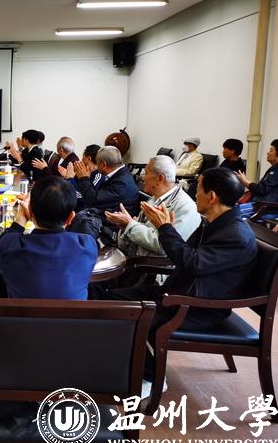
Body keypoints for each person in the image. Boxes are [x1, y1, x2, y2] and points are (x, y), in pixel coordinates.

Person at [90, 168, 257, 397]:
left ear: (211, 197)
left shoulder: (236, 235)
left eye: (198, 189)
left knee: (125, 316)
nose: (194, 193)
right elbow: (186, 254)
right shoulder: (216, 223)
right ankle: (123, 362)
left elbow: (192, 263)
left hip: (197, 307)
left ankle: (150, 377)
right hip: (178, 293)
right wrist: (164, 228)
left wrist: (164, 228)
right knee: (109, 300)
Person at [0, 176, 97, 299]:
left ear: (30, 211)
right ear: (71, 217)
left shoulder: (10, 245)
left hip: (20, 312)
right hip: (72, 312)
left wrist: (20, 219)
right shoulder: (87, 245)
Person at [106, 156, 200, 258]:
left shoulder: (185, 206)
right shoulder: (154, 198)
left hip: (153, 266)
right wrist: (125, 226)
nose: (142, 177)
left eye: (146, 173)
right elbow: (139, 232)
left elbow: (164, 246)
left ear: (160, 178)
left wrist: (130, 224)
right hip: (135, 258)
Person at [73, 145, 140, 215]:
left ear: (103, 165)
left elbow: (92, 200)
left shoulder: (122, 184)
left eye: (97, 162)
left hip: (113, 221)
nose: (96, 165)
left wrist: (83, 178)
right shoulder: (120, 174)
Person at [236, 139, 278, 203]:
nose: (267, 153)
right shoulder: (274, 168)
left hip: (265, 206)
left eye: (271, 151)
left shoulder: (276, 170)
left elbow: (262, 189)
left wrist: (245, 181)